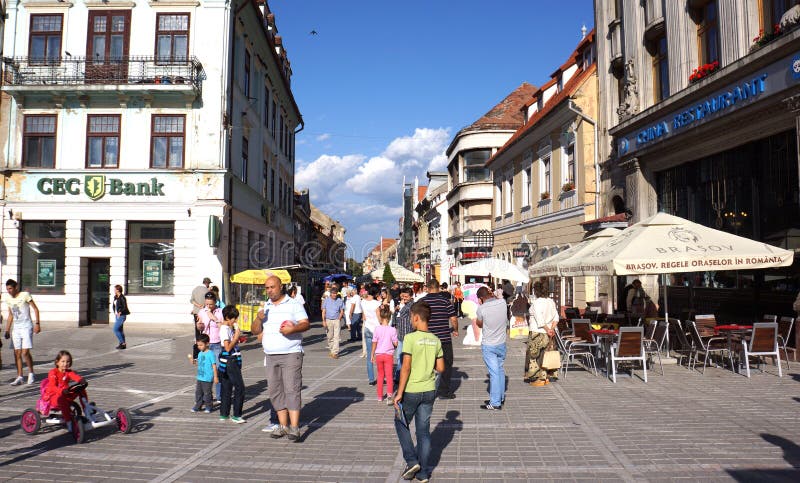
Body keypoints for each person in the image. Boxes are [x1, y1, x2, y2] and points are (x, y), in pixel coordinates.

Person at [252, 275, 310, 441]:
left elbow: (305, 323)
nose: (269, 290)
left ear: (281, 286)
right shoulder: (266, 307)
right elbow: (255, 330)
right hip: (270, 355)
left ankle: (294, 427)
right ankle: (283, 426)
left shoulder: (293, 304)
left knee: (292, 389)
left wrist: (293, 330)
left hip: (291, 353)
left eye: (272, 287)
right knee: (275, 391)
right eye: (267, 288)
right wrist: (258, 318)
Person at [393, 301, 444, 483]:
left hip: (412, 390)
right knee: (423, 432)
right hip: (429, 390)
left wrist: (399, 393)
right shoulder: (435, 339)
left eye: (411, 319)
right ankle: (423, 474)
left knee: (401, 422)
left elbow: (405, 367)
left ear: (416, 317)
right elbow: (441, 367)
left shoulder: (410, 338)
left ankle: (411, 460)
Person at [420, 279, 458, 399]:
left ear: (428, 287)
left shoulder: (422, 302)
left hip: (427, 338)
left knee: (426, 364)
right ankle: (444, 391)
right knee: (446, 363)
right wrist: (455, 330)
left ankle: (426, 390)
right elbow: (453, 319)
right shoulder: (445, 301)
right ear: (438, 287)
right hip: (444, 338)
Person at [475, 286, 508, 410]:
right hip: (502, 343)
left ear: (480, 298)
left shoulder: (481, 309)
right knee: (500, 370)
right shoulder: (502, 302)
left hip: (489, 344)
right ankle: (500, 397)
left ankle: (495, 403)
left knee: (494, 373)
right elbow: (498, 295)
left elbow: (479, 323)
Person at [3, 279, 41, 385]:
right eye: (7, 289)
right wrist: (7, 330)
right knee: (17, 353)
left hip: (26, 326)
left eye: (10, 288)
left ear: (16, 287)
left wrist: (37, 324)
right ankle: (20, 376)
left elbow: (35, 309)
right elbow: (10, 314)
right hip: (16, 328)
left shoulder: (25, 295)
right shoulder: (8, 299)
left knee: (25, 352)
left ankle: (31, 373)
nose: (9, 291)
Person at [526, 281, 559, 386]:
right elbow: (556, 318)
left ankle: (539, 378)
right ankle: (546, 376)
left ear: (536, 290)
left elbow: (539, 320)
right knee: (545, 355)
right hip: (549, 333)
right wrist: (551, 329)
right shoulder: (551, 301)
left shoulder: (537, 303)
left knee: (535, 356)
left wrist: (546, 329)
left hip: (537, 332)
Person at [43, 350, 86, 428]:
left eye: (68, 361)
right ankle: (69, 422)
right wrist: (61, 391)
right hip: (53, 396)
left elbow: (75, 376)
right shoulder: (53, 372)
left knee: (81, 389)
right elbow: (52, 387)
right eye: (63, 361)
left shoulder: (68, 372)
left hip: (66, 393)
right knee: (61, 400)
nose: (65, 364)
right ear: (57, 362)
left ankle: (87, 409)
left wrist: (81, 380)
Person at [218, 305, 245, 423]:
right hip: (230, 361)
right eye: (234, 318)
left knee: (227, 387)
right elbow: (228, 347)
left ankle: (224, 414)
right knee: (240, 387)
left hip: (227, 362)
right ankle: (236, 415)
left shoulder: (228, 328)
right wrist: (236, 336)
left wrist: (238, 338)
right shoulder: (224, 329)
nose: (235, 321)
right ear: (228, 318)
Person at [197, 292, 223, 402]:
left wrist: (213, 317)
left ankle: (219, 395)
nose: (208, 306)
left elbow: (223, 326)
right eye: (207, 304)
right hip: (205, 344)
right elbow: (200, 327)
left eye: (211, 304)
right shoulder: (202, 311)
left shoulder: (220, 312)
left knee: (217, 369)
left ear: (215, 302)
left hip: (216, 343)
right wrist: (199, 325)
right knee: (205, 370)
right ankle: (206, 395)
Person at [372, 305, 398, 404]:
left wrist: (372, 355)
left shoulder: (377, 329)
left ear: (381, 317)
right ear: (389, 318)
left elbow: (374, 342)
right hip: (388, 355)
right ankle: (390, 395)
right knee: (389, 376)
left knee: (380, 375)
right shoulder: (392, 330)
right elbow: (395, 343)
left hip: (379, 355)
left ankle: (379, 396)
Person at [361, 286, 382, 384]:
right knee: (380, 354)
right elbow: (379, 318)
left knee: (370, 354)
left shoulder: (363, 301)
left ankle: (371, 379)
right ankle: (381, 376)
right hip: (376, 330)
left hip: (367, 328)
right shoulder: (376, 303)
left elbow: (364, 316)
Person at [192, 334, 217, 413]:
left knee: (207, 393)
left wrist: (216, 377)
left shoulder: (210, 354)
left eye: (201, 345)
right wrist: (193, 361)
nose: (199, 347)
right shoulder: (200, 353)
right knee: (198, 393)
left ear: (207, 344)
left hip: (208, 377)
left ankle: (209, 406)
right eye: (198, 345)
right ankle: (198, 405)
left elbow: (214, 366)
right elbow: (198, 363)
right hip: (200, 377)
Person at [394, 287, 414, 381]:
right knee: (399, 357)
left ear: (411, 296)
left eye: (406, 296)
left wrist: (399, 308)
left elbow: (401, 315)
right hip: (401, 335)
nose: (404, 298)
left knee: (404, 357)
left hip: (408, 335)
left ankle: (401, 377)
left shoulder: (410, 305)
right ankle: (398, 376)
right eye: (403, 296)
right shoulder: (404, 305)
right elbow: (396, 319)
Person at [190, 277, 212, 361]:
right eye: (209, 283)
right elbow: (208, 302)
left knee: (197, 332)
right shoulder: (206, 291)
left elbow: (191, 300)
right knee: (204, 332)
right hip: (204, 313)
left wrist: (197, 306)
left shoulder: (195, 289)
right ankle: (202, 350)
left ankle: (196, 352)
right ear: (207, 283)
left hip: (196, 312)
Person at [321, 286, 345, 359]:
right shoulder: (326, 300)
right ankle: (332, 350)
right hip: (328, 320)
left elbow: (342, 311)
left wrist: (339, 318)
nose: (334, 295)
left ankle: (335, 352)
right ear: (330, 293)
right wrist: (323, 321)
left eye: (335, 293)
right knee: (330, 336)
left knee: (337, 337)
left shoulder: (339, 300)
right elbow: (323, 311)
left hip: (336, 320)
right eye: (333, 293)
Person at [112, 284, 130, 350]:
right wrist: (116, 312)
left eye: (115, 289)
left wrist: (120, 312)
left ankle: (123, 343)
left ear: (118, 290)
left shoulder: (122, 297)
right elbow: (115, 306)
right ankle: (121, 344)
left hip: (121, 316)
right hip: (117, 316)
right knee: (120, 330)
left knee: (115, 329)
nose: (114, 290)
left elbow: (125, 307)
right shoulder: (116, 297)